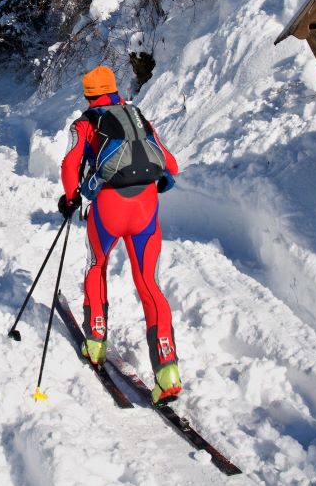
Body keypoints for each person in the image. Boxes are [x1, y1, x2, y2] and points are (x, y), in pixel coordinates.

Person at [58, 65, 183, 404]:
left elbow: (70, 165)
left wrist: (70, 197)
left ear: (88, 95)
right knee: (149, 284)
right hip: (145, 209)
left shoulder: (84, 124)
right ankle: (168, 371)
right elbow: (170, 164)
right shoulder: (137, 117)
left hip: (108, 209)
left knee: (96, 266)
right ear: (114, 90)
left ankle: (96, 342)